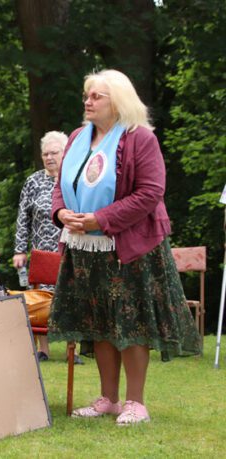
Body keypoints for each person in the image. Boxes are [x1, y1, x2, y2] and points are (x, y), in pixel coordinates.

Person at [48, 69, 201, 425]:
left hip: (130, 246)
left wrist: (100, 219)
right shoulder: (76, 137)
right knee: (100, 320)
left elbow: (151, 193)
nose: (88, 101)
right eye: (86, 95)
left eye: (96, 96)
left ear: (118, 101)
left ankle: (136, 402)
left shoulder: (139, 138)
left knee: (131, 323)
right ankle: (108, 398)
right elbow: (61, 184)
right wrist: (61, 212)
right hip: (85, 246)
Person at [13, 131, 83, 365]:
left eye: (54, 152)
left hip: (72, 247)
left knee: (74, 295)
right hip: (42, 249)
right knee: (41, 298)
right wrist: (19, 250)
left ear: (66, 153)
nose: (49, 157)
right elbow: (23, 216)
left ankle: (74, 349)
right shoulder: (33, 181)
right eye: (45, 154)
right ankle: (43, 349)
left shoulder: (76, 178)